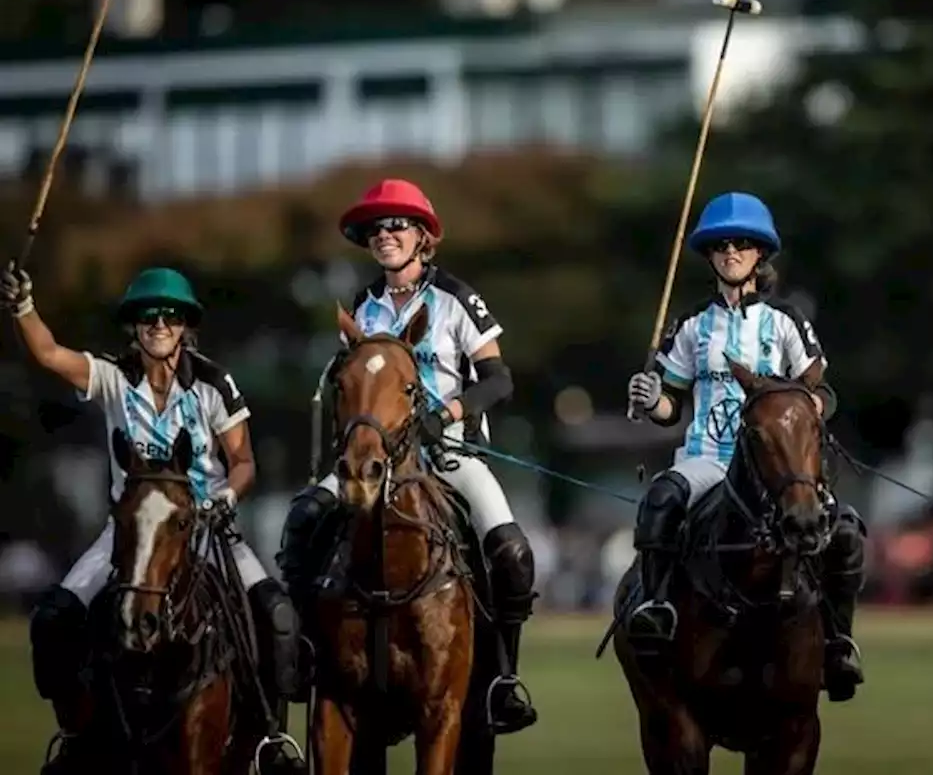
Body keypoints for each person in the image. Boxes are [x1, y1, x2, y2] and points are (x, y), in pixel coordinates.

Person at [0, 264, 302, 775]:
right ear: (133, 326)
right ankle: (75, 735)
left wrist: (226, 497)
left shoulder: (212, 384)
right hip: (130, 530)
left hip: (206, 526)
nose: (158, 324)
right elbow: (50, 353)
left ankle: (268, 741)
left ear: (185, 325)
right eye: (147, 317)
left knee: (277, 616)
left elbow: (243, 461)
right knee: (53, 618)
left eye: (168, 316)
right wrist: (23, 308)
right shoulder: (114, 378)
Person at [277, 178, 538, 734]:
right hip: (370, 457)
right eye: (376, 228)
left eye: (396, 225)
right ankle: (304, 657)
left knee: (511, 552)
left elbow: (498, 379)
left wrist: (444, 415)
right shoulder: (362, 306)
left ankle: (502, 679)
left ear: (423, 237)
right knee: (302, 522)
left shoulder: (456, 299)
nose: (385, 235)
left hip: (445, 453)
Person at [624, 191, 867, 701]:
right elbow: (671, 404)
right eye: (720, 245)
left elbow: (823, 390)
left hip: (777, 469)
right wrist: (652, 401)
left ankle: (839, 640)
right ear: (709, 256)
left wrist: (803, 412)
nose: (730, 252)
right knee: (661, 501)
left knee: (843, 532)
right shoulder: (691, 325)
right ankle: (658, 607)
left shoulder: (786, 322)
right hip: (707, 459)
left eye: (741, 244)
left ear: (760, 255)